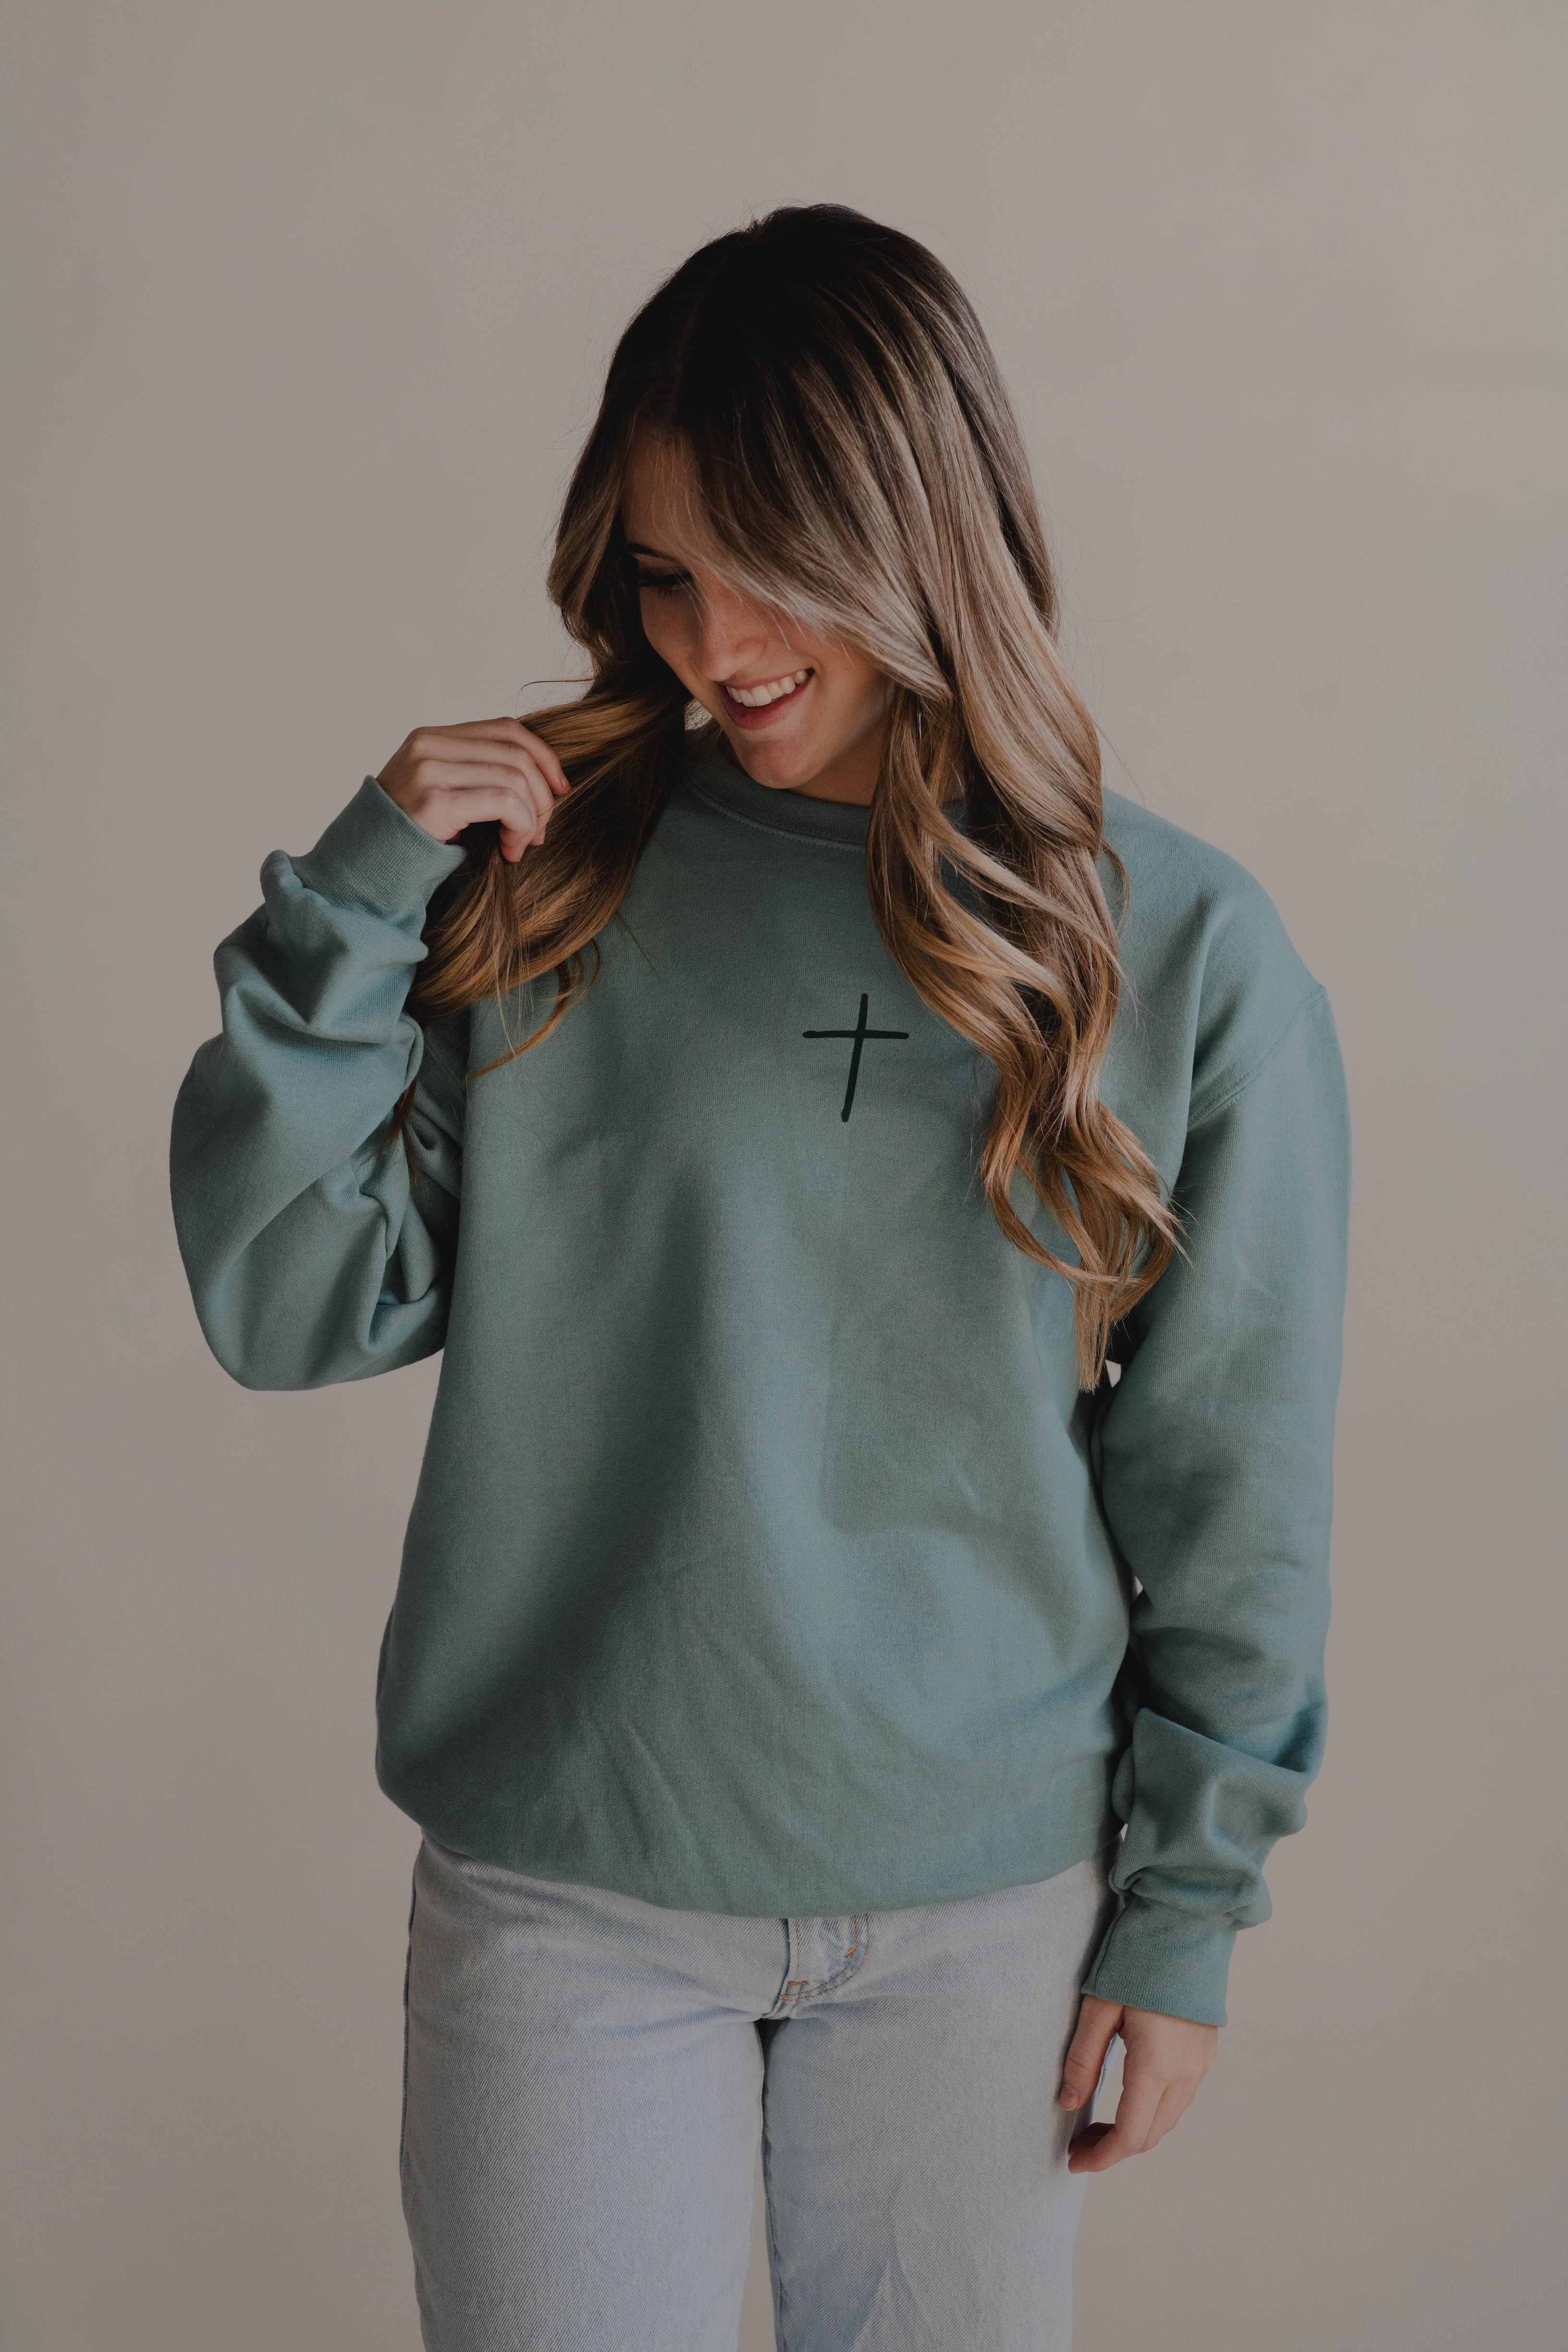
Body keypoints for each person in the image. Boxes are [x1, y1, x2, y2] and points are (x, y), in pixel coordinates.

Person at [169, 205, 1350, 2352]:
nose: (711, 647)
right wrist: (350, 905)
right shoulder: (551, 883)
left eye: (766, 570)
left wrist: (1185, 1911)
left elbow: (1229, 1480)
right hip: (569, 1891)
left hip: (985, 1909)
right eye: (661, 573)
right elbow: (280, 1297)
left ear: (915, 533)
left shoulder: (1174, 948)